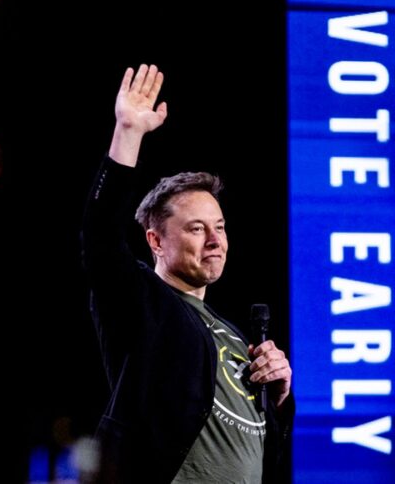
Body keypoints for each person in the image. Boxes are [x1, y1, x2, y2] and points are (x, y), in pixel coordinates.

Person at [81, 64, 293, 484]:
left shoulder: (231, 333)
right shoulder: (142, 302)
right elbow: (100, 233)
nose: (215, 240)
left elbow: (257, 442)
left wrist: (280, 396)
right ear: (156, 241)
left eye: (220, 227)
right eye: (197, 229)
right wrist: (128, 132)